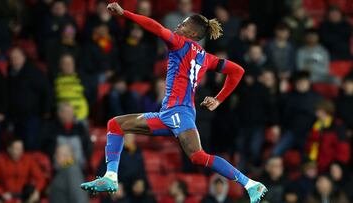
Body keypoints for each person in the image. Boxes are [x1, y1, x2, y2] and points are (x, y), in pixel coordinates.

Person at [81, 2, 267, 203]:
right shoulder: (206, 58)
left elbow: (157, 28)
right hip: (168, 114)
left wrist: (124, 13)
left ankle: (250, 184)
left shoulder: (180, 43)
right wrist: (218, 100)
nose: (179, 25)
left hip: (179, 112)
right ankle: (110, 177)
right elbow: (237, 71)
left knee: (198, 156)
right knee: (115, 124)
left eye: (184, 24)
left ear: (194, 34)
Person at [7, 47, 51, 150]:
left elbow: (47, 90)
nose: (15, 60)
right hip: (16, 117)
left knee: (31, 145)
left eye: (17, 57)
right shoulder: (10, 74)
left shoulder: (33, 72)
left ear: (24, 58)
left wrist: (46, 110)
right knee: (18, 146)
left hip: (32, 117)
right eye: (12, 58)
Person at [40, 102, 92, 168]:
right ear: (60, 114)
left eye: (71, 112)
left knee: (73, 168)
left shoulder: (80, 128)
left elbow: (88, 147)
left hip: (79, 166)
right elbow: (46, 148)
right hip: (59, 167)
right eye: (67, 112)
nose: (70, 115)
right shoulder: (51, 128)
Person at [305, 100, 350, 173]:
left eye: (319, 111)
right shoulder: (315, 126)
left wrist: (338, 163)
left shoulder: (337, 125)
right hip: (316, 164)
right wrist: (310, 160)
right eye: (316, 111)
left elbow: (343, 146)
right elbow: (311, 144)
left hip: (331, 164)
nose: (316, 113)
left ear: (326, 111)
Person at [54, 54, 89, 121]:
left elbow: (89, 97)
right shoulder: (56, 81)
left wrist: (79, 116)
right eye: (66, 64)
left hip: (79, 116)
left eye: (71, 63)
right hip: (62, 116)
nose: (69, 66)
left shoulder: (81, 79)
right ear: (60, 65)